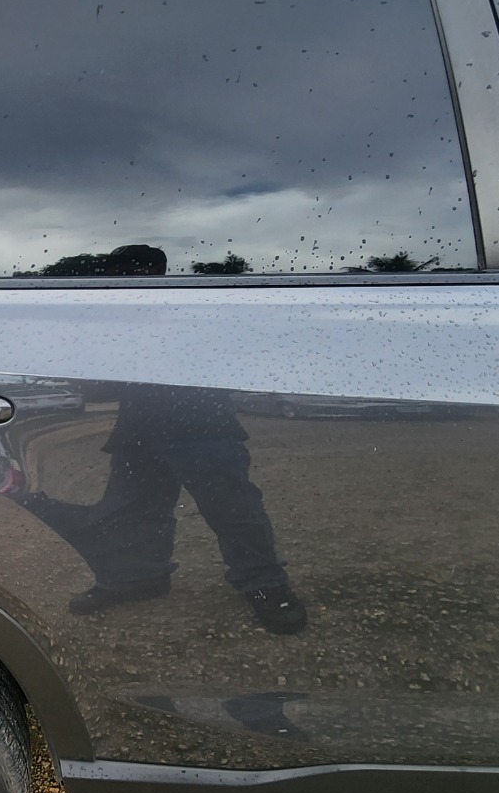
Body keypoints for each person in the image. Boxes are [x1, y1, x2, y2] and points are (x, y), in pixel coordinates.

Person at [27, 244, 306, 634]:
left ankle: (265, 583)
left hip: (201, 422)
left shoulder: (192, 309)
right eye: (114, 273)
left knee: (231, 506)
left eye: (128, 272)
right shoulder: (112, 319)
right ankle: (138, 578)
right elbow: (104, 382)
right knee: (132, 507)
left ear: (157, 271)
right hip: (139, 424)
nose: (117, 281)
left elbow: (226, 360)